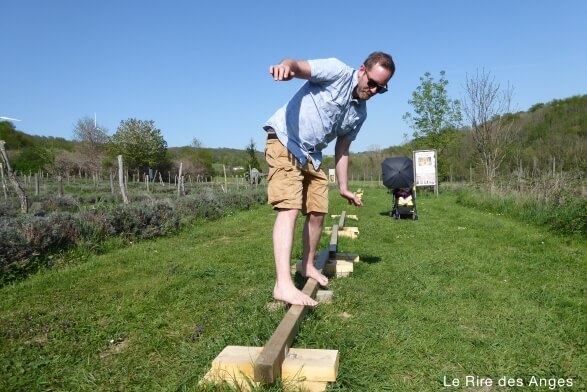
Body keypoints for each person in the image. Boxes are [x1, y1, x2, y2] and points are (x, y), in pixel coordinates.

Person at [264, 52, 395, 306]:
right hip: (284, 141)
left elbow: (342, 149)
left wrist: (344, 187)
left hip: (311, 155)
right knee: (289, 208)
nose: (374, 90)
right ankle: (282, 284)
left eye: (381, 87)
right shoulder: (335, 71)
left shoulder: (360, 114)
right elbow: (298, 66)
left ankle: (309, 265)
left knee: (318, 211)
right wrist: (285, 67)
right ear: (362, 70)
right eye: (372, 82)